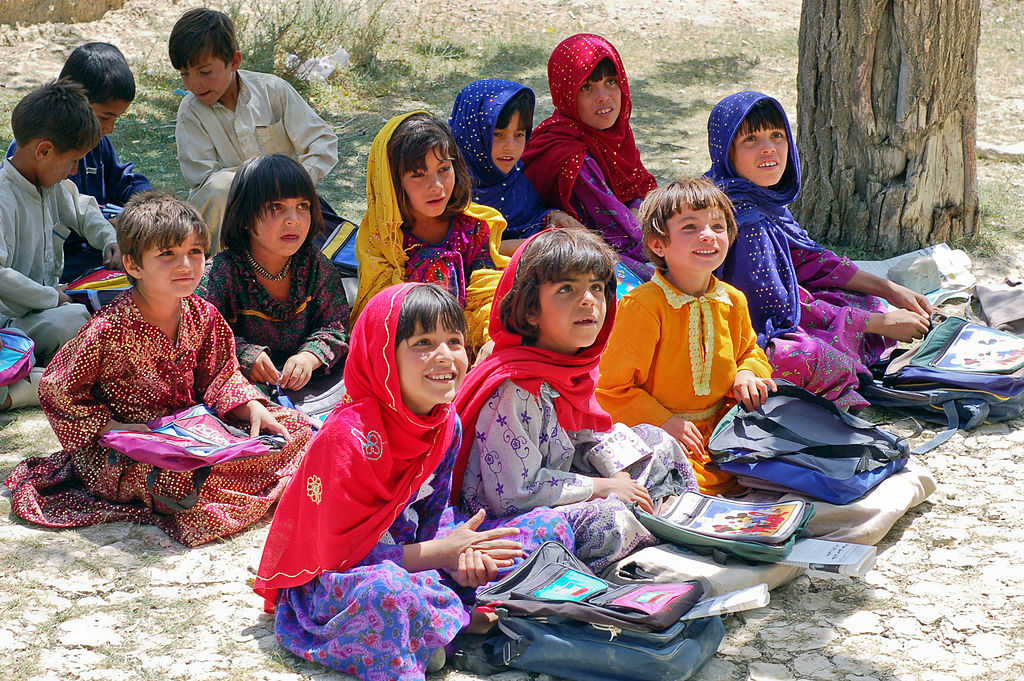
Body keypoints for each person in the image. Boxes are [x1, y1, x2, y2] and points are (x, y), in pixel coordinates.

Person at [254, 282, 571, 680]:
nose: (445, 356)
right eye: (422, 342)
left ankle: (439, 623)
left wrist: (463, 558)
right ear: (382, 357)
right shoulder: (348, 437)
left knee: (546, 527)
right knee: (388, 595)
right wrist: (443, 554)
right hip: (349, 574)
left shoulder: (444, 423)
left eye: (454, 341)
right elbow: (338, 557)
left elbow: (435, 515)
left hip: (420, 556)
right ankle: (454, 623)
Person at [3, 192, 313, 546]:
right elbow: (56, 390)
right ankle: (212, 486)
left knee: (296, 429)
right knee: (173, 477)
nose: (186, 265)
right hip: (125, 450)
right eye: (167, 254)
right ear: (133, 265)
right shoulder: (106, 329)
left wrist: (254, 407)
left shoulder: (204, 315)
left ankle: (218, 475)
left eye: (195, 252)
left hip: (192, 433)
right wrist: (117, 428)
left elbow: (221, 375)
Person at [451, 228, 698, 572]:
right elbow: (513, 494)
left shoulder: (572, 367)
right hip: (510, 515)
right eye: (566, 289)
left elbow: (583, 437)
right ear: (530, 309)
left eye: (596, 287)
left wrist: (620, 474)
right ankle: (645, 539)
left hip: (561, 479)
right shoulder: (515, 387)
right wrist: (602, 487)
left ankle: (676, 526)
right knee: (609, 518)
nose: (588, 300)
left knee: (658, 444)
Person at [706, 91, 935, 409]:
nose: (769, 148)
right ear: (725, 150)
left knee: (862, 296)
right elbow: (771, 312)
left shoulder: (754, 195)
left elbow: (808, 259)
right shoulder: (748, 223)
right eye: (750, 140)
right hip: (738, 335)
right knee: (811, 357)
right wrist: (871, 323)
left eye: (777, 135)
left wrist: (890, 288)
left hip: (769, 309)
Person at [596, 178, 776, 496]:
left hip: (722, 430)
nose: (707, 235)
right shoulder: (644, 306)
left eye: (718, 226)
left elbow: (750, 350)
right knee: (666, 487)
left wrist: (748, 373)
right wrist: (664, 422)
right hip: (661, 434)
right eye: (690, 227)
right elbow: (611, 388)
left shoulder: (733, 300)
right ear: (657, 244)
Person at [169, 7, 339, 248]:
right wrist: (260, 188)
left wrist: (294, 184)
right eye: (185, 74)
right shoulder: (190, 112)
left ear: (234, 61)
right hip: (231, 214)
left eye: (205, 72)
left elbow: (323, 141)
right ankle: (221, 271)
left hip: (284, 204)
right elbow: (206, 181)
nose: (195, 83)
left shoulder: (273, 91)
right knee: (219, 188)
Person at [352, 112, 508, 353]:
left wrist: (488, 341)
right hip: (406, 349)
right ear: (392, 182)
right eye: (418, 174)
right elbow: (382, 311)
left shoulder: (473, 227)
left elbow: (486, 293)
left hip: (465, 344)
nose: (436, 186)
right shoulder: (383, 237)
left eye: (444, 169)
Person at [197, 155, 349, 393]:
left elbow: (335, 326)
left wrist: (310, 357)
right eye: (276, 207)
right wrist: (245, 355)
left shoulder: (316, 266)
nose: (293, 220)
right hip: (240, 390)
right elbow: (200, 333)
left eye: (303, 206)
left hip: (310, 387)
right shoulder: (220, 273)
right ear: (245, 217)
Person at [0, 80, 121, 381]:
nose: (74, 172)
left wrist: (110, 239)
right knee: (73, 319)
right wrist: (52, 298)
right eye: (72, 161)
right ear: (44, 151)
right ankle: (35, 380)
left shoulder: (52, 186)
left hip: (42, 310)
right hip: (9, 324)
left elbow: (82, 210)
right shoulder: (4, 198)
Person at [6, 42, 153, 282]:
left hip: (98, 251)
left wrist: (135, 215)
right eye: (105, 117)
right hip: (63, 264)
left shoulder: (97, 143)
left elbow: (109, 191)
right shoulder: (30, 158)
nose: (110, 128)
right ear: (77, 103)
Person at [521, 34, 656, 280]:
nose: (603, 96)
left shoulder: (616, 134)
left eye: (611, 82)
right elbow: (620, 231)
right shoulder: (570, 154)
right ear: (566, 94)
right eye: (586, 87)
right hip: (588, 256)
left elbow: (639, 190)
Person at [449, 79, 583, 255]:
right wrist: (532, 246)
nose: (510, 146)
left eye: (519, 134)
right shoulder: (450, 187)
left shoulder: (514, 179)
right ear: (472, 135)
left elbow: (530, 215)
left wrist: (552, 217)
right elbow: (462, 251)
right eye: (497, 134)